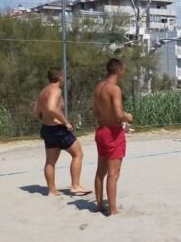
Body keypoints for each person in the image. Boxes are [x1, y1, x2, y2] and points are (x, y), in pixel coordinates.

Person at [32, 67, 91, 197]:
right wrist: (65, 122)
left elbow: (36, 112)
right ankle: (75, 186)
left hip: (47, 129)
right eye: (63, 76)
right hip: (58, 130)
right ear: (59, 78)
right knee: (78, 154)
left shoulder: (43, 91)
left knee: (50, 161)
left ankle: (51, 190)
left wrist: (47, 119)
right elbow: (52, 108)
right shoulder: (56, 90)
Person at [93, 58, 133, 216]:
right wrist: (127, 117)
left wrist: (109, 117)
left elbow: (96, 112)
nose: (124, 72)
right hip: (113, 133)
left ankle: (99, 205)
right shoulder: (114, 89)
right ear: (119, 70)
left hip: (101, 130)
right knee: (113, 174)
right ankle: (113, 210)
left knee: (100, 172)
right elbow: (118, 114)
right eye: (123, 69)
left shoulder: (99, 87)